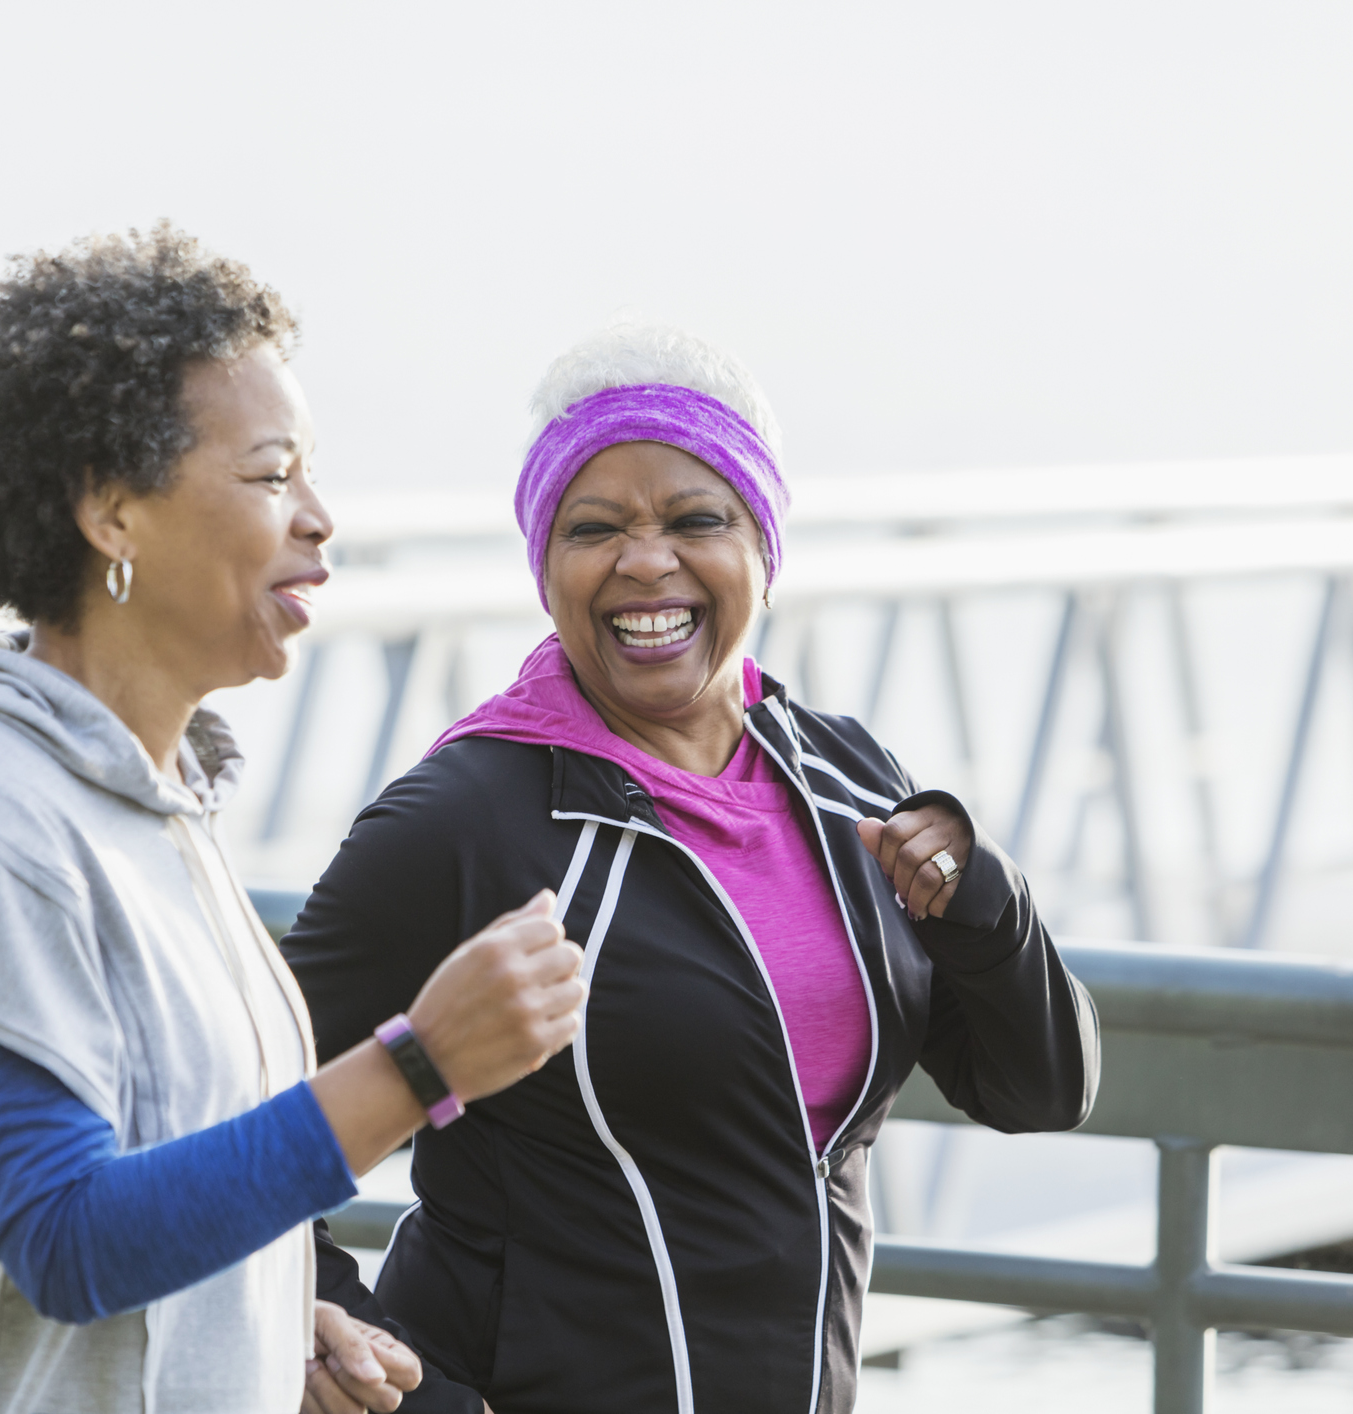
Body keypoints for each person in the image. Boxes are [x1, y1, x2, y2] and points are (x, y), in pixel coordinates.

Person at [0, 226, 587, 1414]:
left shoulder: (153, 800)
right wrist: (421, 1063)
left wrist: (272, 1310)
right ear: (112, 512)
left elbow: (157, 1197)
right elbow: (68, 1237)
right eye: (272, 474)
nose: (319, 518)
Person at [282, 323, 1101, 1414]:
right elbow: (237, 1127)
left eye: (694, 519)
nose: (645, 560)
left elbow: (1038, 1087)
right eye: (594, 527)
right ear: (546, 565)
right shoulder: (466, 819)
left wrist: (988, 909)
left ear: (762, 544)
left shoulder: (848, 781)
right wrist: (361, 1359)